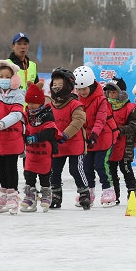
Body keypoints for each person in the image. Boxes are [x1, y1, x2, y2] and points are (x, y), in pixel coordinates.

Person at [75, 65, 118, 206]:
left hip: (103, 137)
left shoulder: (101, 100)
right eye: (79, 89)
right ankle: (89, 192)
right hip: (87, 139)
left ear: (91, 85)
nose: (82, 92)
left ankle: (108, 190)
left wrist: (94, 135)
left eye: (84, 89)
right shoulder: (77, 100)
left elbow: (100, 120)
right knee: (86, 166)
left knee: (101, 165)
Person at [48, 67, 90, 209]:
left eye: (60, 85)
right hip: (57, 143)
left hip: (73, 143)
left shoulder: (75, 104)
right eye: (54, 85)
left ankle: (84, 192)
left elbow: (79, 120)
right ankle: (56, 194)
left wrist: (65, 134)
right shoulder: (50, 105)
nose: (56, 87)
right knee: (54, 170)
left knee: (76, 169)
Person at [0, 60, 26, 214]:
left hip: (12, 136)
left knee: (11, 167)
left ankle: (13, 194)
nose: (4, 79)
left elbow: (17, 114)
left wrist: (2, 123)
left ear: (13, 79)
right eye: (1, 76)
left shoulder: (18, 95)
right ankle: (4, 193)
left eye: (7, 77)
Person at [21, 80, 62, 212]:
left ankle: (46, 194)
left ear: (40, 102)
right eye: (29, 103)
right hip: (31, 152)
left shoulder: (47, 114)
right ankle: (30, 197)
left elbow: (50, 131)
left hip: (44, 151)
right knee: (29, 174)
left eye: (33, 102)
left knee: (44, 175)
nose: (31, 105)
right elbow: (23, 129)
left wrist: (36, 137)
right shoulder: (27, 114)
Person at [105, 78, 136, 202]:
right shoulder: (105, 106)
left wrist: (118, 130)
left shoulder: (130, 108)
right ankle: (114, 194)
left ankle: (132, 192)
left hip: (126, 144)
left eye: (114, 92)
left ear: (122, 94)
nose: (111, 95)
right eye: (109, 92)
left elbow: (134, 126)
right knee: (111, 169)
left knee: (125, 168)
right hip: (110, 144)